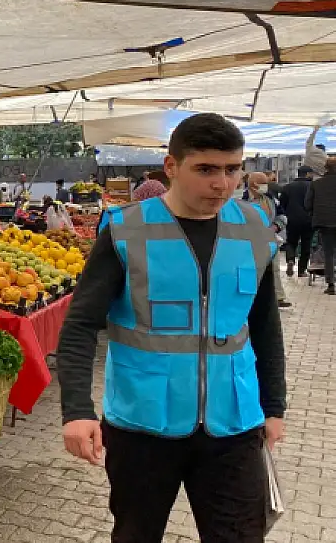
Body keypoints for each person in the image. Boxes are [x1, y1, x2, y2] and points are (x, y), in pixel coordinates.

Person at [57, 113, 285, 543]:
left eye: (232, 169)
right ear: (171, 166)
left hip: (233, 425)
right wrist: (77, 410)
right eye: (206, 169)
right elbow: (80, 325)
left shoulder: (254, 229)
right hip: (143, 427)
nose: (222, 183)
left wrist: (275, 407)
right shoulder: (126, 230)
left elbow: (265, 325)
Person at [246, 172, 291, 308]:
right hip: (249, 242)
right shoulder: (240, 200)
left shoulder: (271, 199)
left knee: (274, 269)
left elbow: (282, 216)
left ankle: (278, 297)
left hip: (270, 239)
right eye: (263, 183)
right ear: (253, 185)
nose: (266, 186)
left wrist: (275, 227)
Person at [305, 156, 336, 294]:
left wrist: (315, 214)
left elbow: (307, 204)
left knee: (328, 253)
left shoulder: (316, 184)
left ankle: (330, 284)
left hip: (324, 222)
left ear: (325, 167)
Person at [281, 166, 315, 278]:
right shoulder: (312, 186)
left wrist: (287, 214)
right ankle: (301, 270)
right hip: (308, 219)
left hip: (292, 219)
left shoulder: (287, 187)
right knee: (306, 244)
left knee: (291, 242)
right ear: (307, 174)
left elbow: (282, 204)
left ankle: (290, 260)